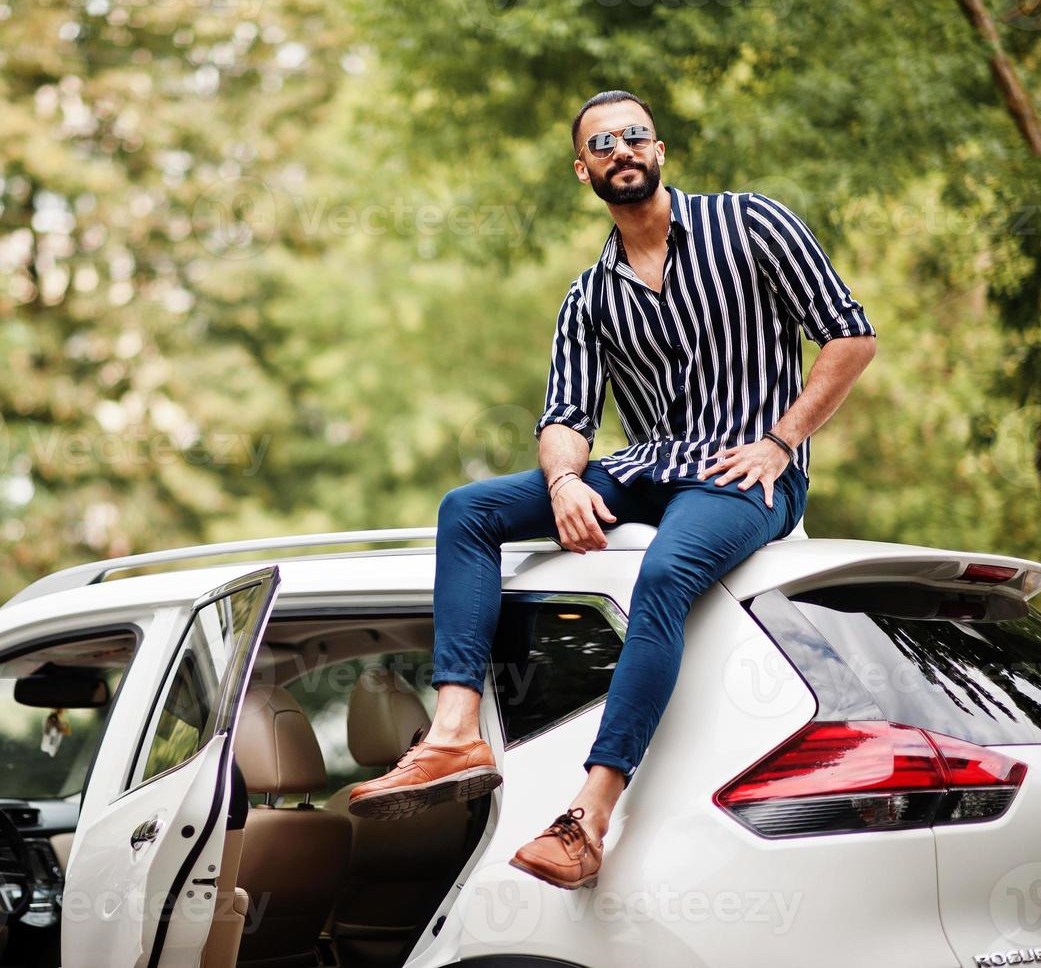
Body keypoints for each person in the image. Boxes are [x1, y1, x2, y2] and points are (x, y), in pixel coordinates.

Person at [347, 89, 878, 890]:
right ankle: (454, 733)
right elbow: (565, 415)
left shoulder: (751, 223)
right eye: (602, 143)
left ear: (658, 150)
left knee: (664, 574)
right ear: (582, 168)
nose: (620, 149)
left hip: (744, 472)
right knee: (468, 510)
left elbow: (850, 334)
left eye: (634, 136)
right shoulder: (588, 294)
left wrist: (780, 443)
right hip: (648, 466)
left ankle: (587, 817)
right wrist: (563, 479)